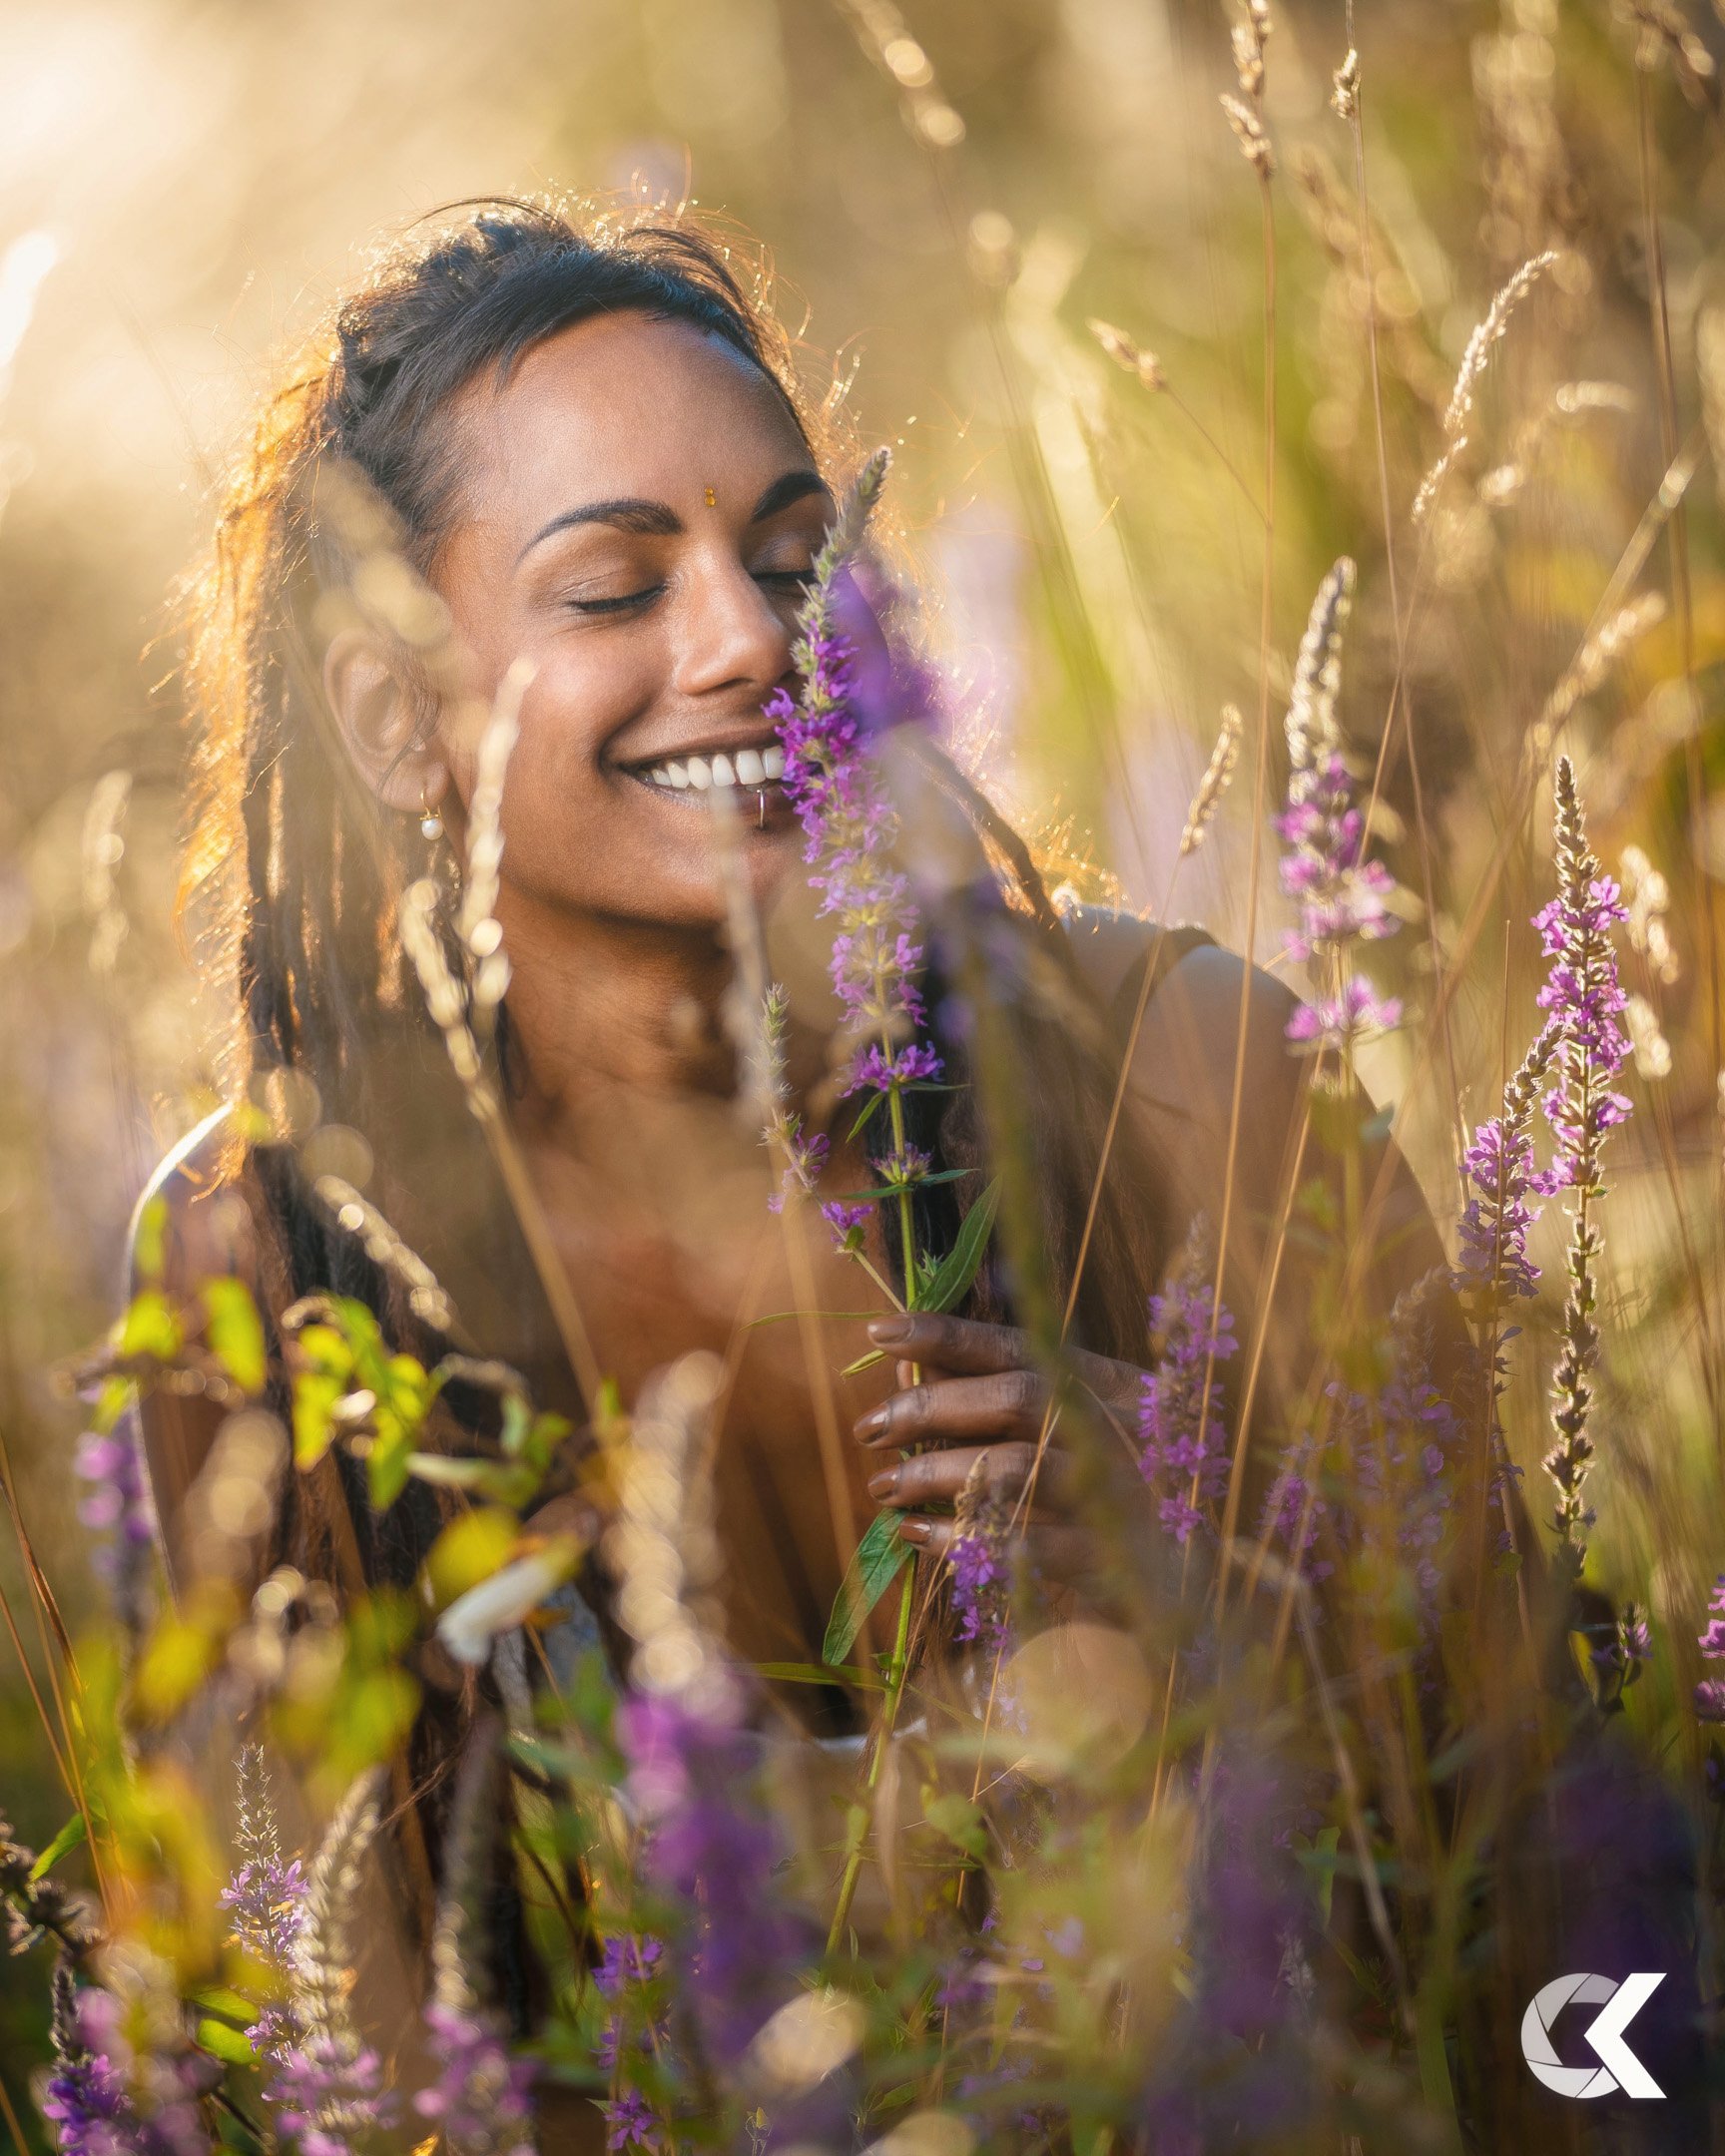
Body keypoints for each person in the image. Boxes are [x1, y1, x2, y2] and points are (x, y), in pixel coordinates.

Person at [138, 196, 1475, 2125]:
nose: (755, 642)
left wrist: (1229, 1591)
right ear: (395, 722)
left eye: (795, 558)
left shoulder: (1193, 1086)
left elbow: (1558, 1862)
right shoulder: (265, 1277)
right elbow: (317, 2043)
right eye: (613, 590)